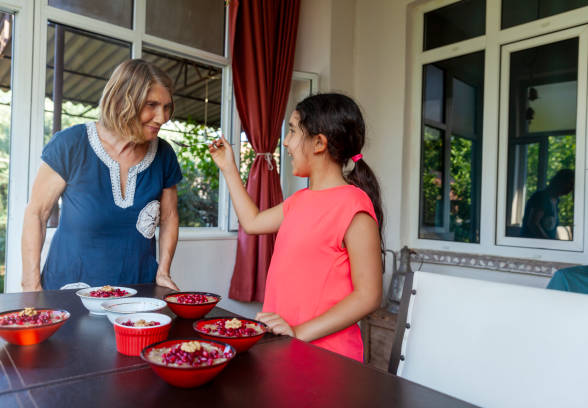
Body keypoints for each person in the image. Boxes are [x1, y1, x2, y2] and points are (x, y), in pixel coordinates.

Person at [209, 93, 383, 362]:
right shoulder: (299, 201)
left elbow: (368, 295)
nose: (286, 142)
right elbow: (252, 222)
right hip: (285, 346)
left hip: (328, 359)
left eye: (291, 131)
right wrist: (229, 168)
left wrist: (298, 332)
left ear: (319, 143)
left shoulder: (354, 205)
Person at [21, 59, 182, 291]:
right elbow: (36, 214)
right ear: (124, 100)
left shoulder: (164, 154)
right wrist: (31, 286)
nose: (163, 117)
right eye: (152, 105)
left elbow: (169, 218)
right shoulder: (71, 144)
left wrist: (163, 271)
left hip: (138, 294)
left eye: (166, 107)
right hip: (69, 292)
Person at [520, 169, 574, 240]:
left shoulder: (556, 200)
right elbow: (533, 224)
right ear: (561, 182)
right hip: (532, 245)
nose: (571, 188)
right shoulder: (541, 197)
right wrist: (548, 242)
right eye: (570, 184)